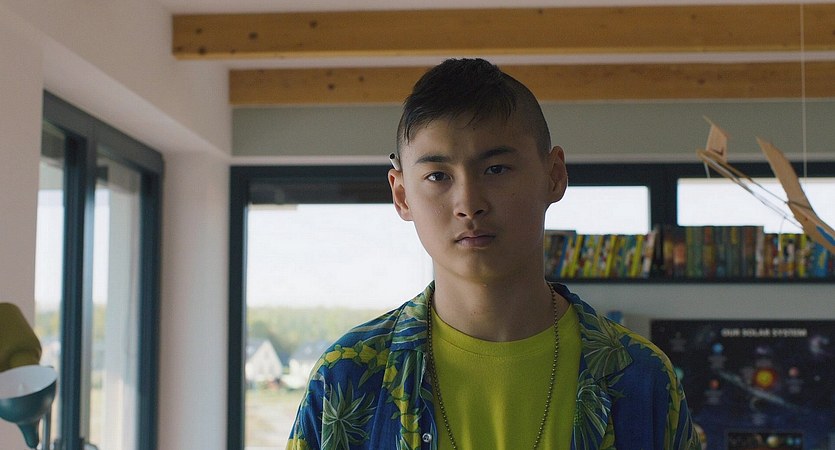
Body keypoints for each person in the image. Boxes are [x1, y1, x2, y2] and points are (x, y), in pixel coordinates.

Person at [287, 58, 700, 450]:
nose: (469, 204)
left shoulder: (639, 376)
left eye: (496, 169)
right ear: (402, 195)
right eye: (437, 176)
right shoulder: (348, 377)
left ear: (554, 176)